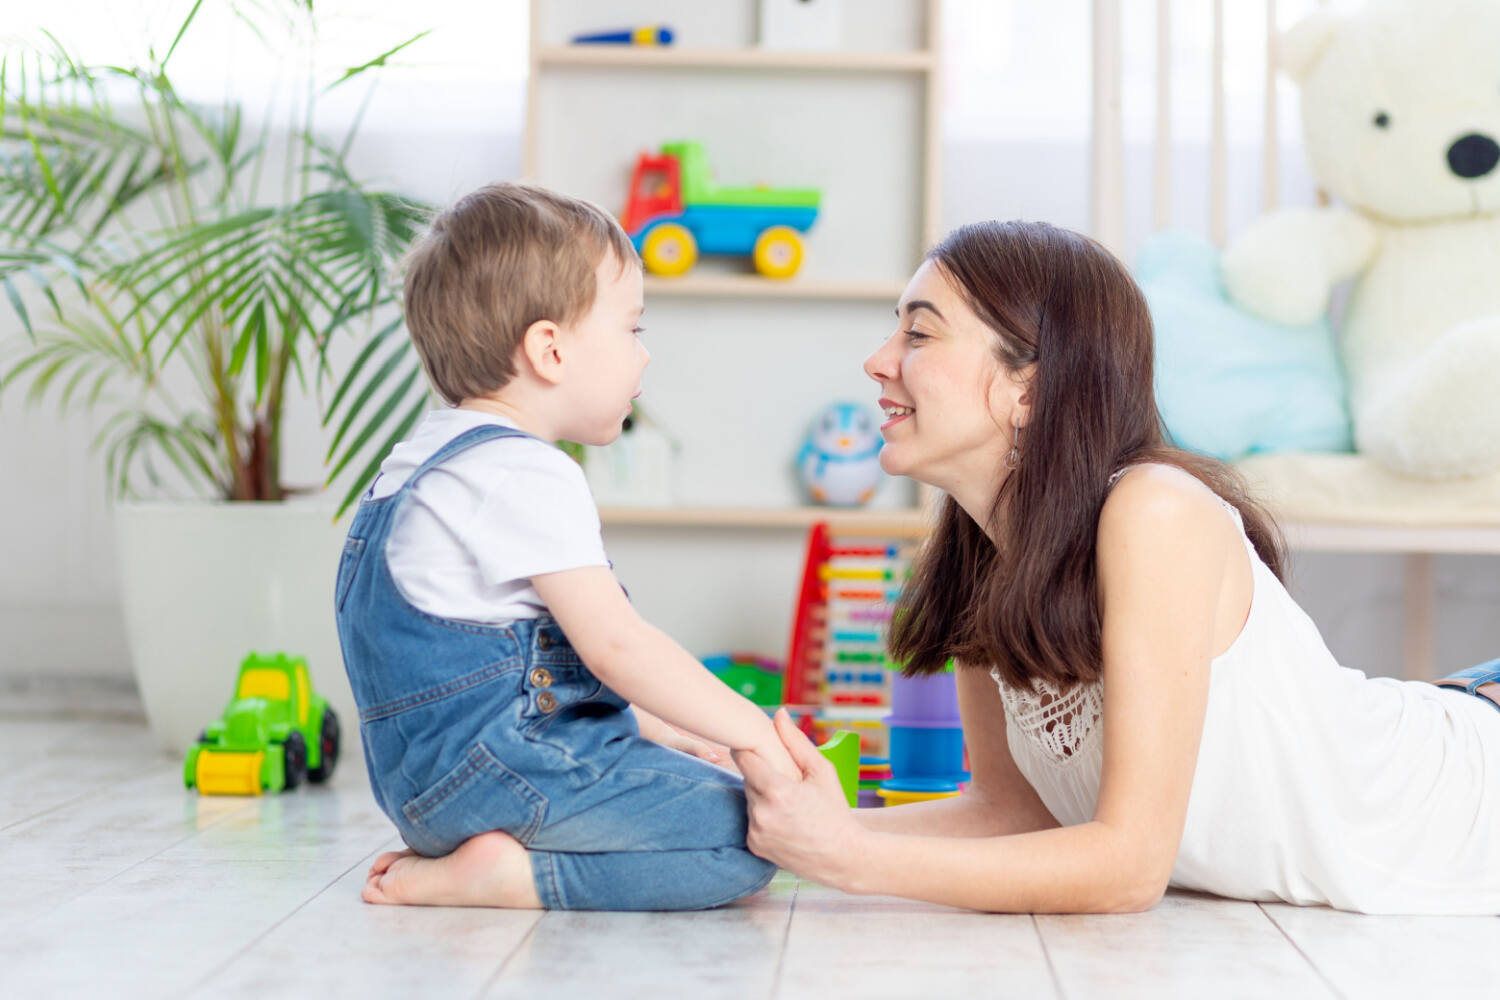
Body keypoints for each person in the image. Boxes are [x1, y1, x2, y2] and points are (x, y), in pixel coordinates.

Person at [734, 220, 1500, 915]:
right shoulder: (977, 558)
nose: (878, 362)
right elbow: (1011, 815)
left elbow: (1129, 867)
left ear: (1028, 388)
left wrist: (852, 856)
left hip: (1468, 796)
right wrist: (809, 831)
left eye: (919, 335)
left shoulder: (1153, 513)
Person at [335, 182, 798, 912]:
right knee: (752, 836)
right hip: (502, 775)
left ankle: (476, 857)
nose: (644, 358)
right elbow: (617, 647)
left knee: (710, 796)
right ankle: (508, 879)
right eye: (632, 329)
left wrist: (663, 730)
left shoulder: (424, 460)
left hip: (424, 788)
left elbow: (529, 665)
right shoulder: (523, 471)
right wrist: (755, 736)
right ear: (549, 349)